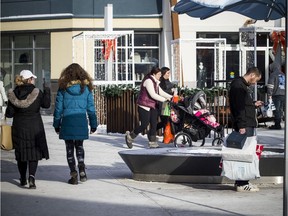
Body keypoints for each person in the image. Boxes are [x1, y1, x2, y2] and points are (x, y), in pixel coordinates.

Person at [5, 70, 51, 189]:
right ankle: (32, 178)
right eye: (33, 78)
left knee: (21, 153)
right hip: (35, 126)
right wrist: (47, 91)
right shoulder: (37, 92)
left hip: (19, 127)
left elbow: (9, 114)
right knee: (33, 153)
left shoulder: (14, 93)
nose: (34, 80)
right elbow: (46, 105)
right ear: (29, 79)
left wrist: (10, 106)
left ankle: (22, 178)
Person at [53, 63, 97, 185]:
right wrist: (94, 124)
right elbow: (91, 108)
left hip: (67, 121)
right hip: (81, 121)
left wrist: (56, 124)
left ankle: (73, 174)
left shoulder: (63, 88)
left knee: (69, 149)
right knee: (79, 146)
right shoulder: (86, 88)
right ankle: (81, 167)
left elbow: (58, 109)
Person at [229, 67, 263, 192]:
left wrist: (253, 104)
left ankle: (242, 181)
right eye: (255, 80)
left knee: (245, 153)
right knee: (244, 154)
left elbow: (243, 104)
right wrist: (242, 125)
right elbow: (239, 107)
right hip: (245, 124)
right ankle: (242, 183)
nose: (254, 83)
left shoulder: (240, 85)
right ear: (252, 75)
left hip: (246, 123)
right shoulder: (238, 86)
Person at [125, 67, 173, 149]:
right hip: (144, 105)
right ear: (154, 74)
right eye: (158, 74)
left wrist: (171, 97)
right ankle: (130, 136)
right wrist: (164, 100)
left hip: (153, 105)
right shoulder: (148, 81)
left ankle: (152, 142)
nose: (160, 76)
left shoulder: (156, 82)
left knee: (154, 123)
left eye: (160, 74)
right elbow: (153, 94)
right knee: (144, 124)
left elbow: (160, 92)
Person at [157, 67, 176, 132]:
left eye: (169, 73)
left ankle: (166, 137)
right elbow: (162, 93)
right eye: (168, 73)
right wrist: (171, 91)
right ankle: (152, 131)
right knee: (165, 121)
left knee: (167, 121)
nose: (169, 74)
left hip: (168, 104)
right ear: (163, 74)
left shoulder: (168, 81)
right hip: (163, 105)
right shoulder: (160, 83)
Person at [267, 62, 285, 129]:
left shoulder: (273, 75)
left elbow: (270, 86)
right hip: (284, 95)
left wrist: (269, 94)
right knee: (282, 110)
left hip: (276, 95)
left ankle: (277, 125)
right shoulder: (283, 75)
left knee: (276, 110)